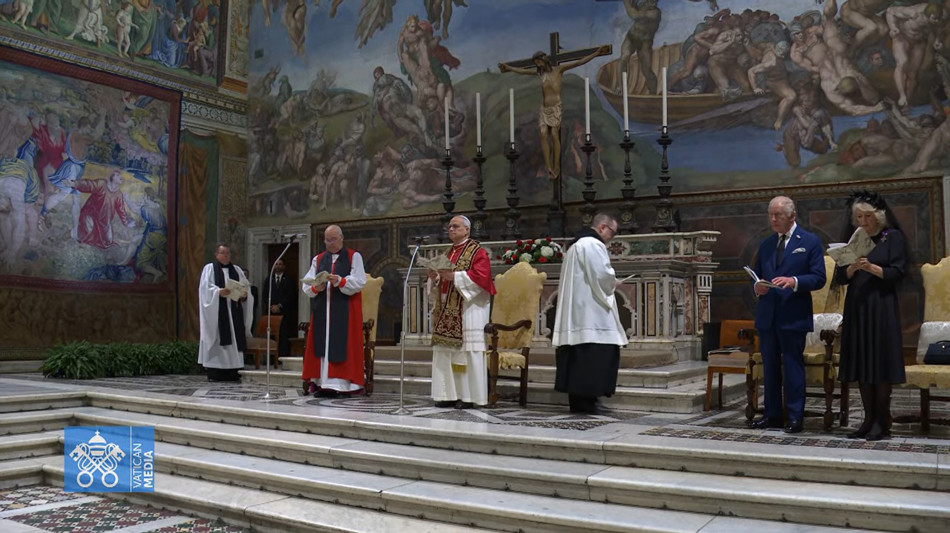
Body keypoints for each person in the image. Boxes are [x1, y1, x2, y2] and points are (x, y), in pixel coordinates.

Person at [833, 190, 907, 441]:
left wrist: (871, 267)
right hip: (858, 305)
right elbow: (840, 277)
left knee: (880, 364)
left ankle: (881, 421)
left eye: (867, 217)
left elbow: (898, 273)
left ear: (879, 216)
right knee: (863, 362)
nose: (863, 222)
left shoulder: (891, 237)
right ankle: (866, 420)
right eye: (859, 217)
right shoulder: (856, 238)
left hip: (881, 306)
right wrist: (852, 268)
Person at [750, 196, 826, 434]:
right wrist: (757, 287)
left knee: (792, 366)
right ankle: (771, 415)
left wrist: (793, 281)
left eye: (778, 215)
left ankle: (795, 416)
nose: (773, 219)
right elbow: (757, 276)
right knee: (770, 368)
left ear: (792, 216)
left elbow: (819, 277)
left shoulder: (810, 242)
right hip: (767, 316)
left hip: (793, 315)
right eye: (770, 214)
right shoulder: (765, 244)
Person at [551, 213, 627, 414]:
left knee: (579, 357)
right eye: (612, 232)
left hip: (579, 309)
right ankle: (587, 402)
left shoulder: (577, 245)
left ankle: (582, 401)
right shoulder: (593, 245)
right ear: (603, 227)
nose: (612, 238)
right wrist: (614, 282)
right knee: (594, 355)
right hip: (591, 311)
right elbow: (602, 275)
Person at [498, 45, 610, 180]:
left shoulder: (558, 70)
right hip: (544, 109)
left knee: (555, 135)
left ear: (544, 60)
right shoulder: (540, 74)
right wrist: (508, 68)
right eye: (535, 63)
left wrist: (597, 53)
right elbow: (522, 71)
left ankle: (556, 166)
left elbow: (579, 62)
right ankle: (548, 166)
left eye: (538, 62)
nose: (537, 65)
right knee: (543, 135)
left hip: (555, 108)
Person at [427, 215, 495, 409]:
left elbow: (482, 279)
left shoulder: (477, 252)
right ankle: (447, 394)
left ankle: (468, 397)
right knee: (445, 352)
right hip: (447, 311)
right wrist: (437, 277)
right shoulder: (449, 252)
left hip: (469, 310)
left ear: (467, 229)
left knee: (467, 352)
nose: (451, 229)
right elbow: (443, 281)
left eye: (455, 226)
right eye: (449, 226)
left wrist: (454, 275)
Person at [301, 225, 366, 396]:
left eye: (333, 239)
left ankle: (343, 385)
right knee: (323, 344)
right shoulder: (318, 259)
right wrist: (317, 286)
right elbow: (306, 284)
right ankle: (323, 383)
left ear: (341, 238)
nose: (330, 243)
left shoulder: (353, 256)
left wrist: (339, 280)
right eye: (327, 239)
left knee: (342, 344)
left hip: (345, 310)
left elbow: (359, 281)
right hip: (323, 308)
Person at [198, 244, 253, 382]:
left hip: (234, 310)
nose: (226, 255)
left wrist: (244, 295)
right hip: (218, 311)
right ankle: (215, 372)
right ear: (216, 254)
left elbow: (246, 287)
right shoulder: (209, 269)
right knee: (219, 338)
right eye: (223, 253)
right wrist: (218, 292)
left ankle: (233, 370)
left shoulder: (237, 270)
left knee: (234, 339)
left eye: (228, 253)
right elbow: (204, 289)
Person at [262, 258, 296, 359]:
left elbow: (291, 295)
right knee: (271, 336)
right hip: (271, 313)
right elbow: (265, 294)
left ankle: (282, 356)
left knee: (283, 335)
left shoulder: (289, 279)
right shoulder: (269, 279)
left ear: (284, 266)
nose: (278, 266)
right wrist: (270, 306)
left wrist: (280, 306)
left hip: (284, 312)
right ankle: (271, 358)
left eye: (280, 264)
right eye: (276, 264)